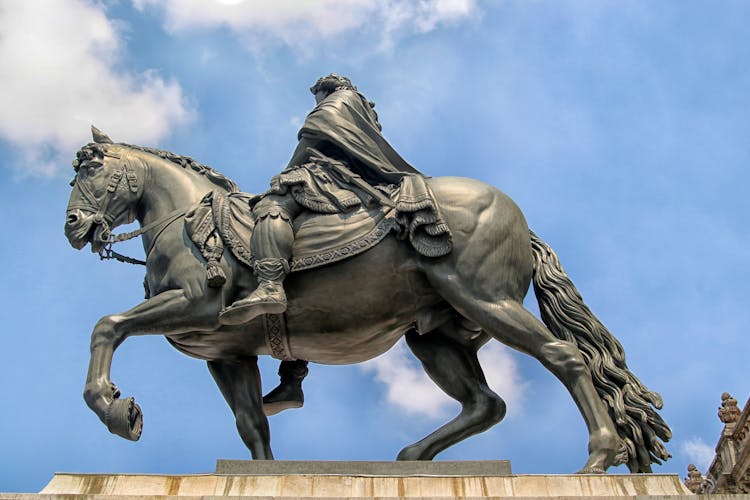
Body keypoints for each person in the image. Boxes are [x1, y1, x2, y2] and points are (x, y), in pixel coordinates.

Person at [219, 74, 452, 412]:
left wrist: (284, 175)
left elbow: (310, 142)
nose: (316, 103)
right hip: (348, 179)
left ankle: (269, 284)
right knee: (305, 273)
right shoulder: (360, 110)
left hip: (331, 178)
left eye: (316, 96)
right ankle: (291, 379)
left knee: (271, 206)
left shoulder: (337, 101)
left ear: (324, 90)